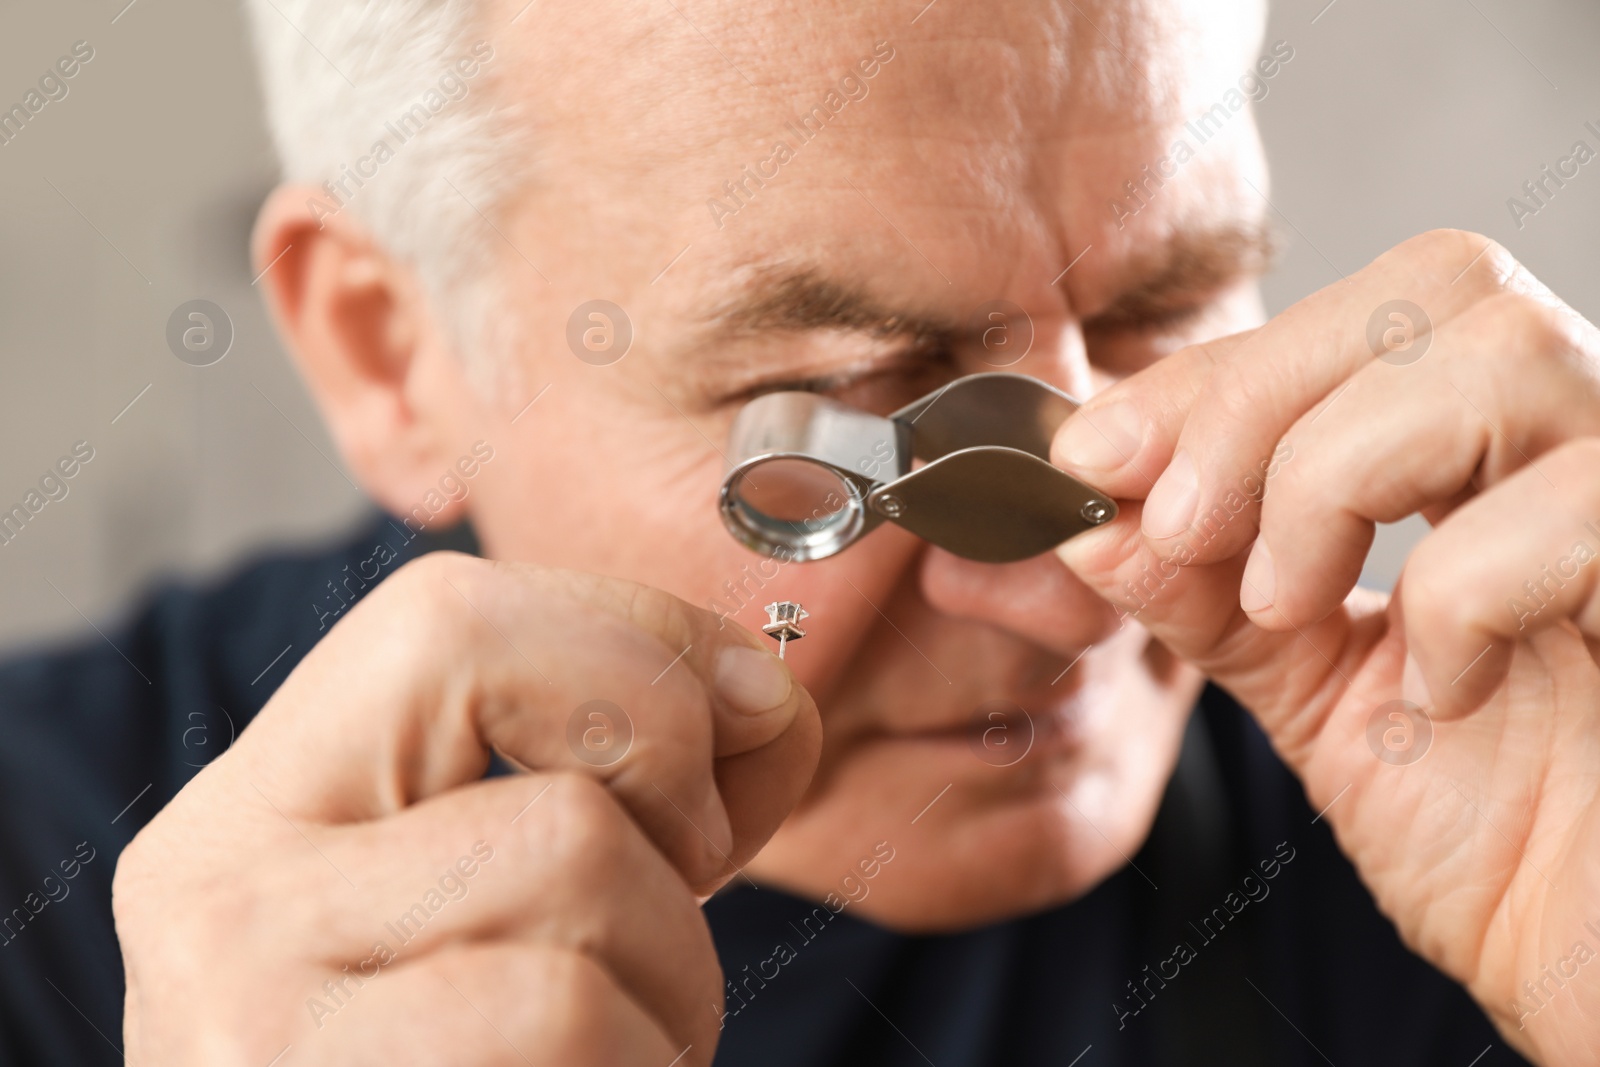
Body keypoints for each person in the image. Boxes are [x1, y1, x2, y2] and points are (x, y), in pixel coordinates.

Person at [1, 0, 1596, 1062]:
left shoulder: (1501, 781)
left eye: (1167, 304)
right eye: (842, 398)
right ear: (391, 351)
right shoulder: (42, 901)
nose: (1084, 599)